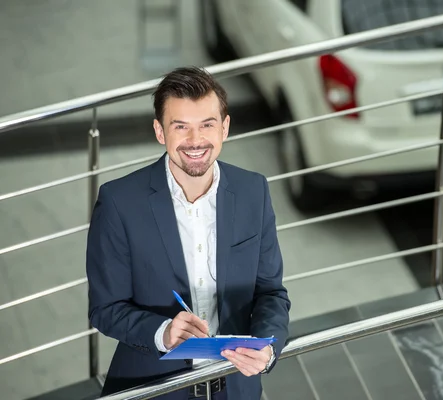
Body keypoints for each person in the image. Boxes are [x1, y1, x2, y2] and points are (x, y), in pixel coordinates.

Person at [86, 66, 291, 400]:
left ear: (224, 128)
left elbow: (271, 293)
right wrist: (163, 332)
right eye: (180, 127)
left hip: (236, 385)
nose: (195, 141)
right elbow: (105, 309)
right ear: (159, 131)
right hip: (153, 388)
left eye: (207, 125)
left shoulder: (254, 190)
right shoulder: (118, 202)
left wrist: (267, 350)